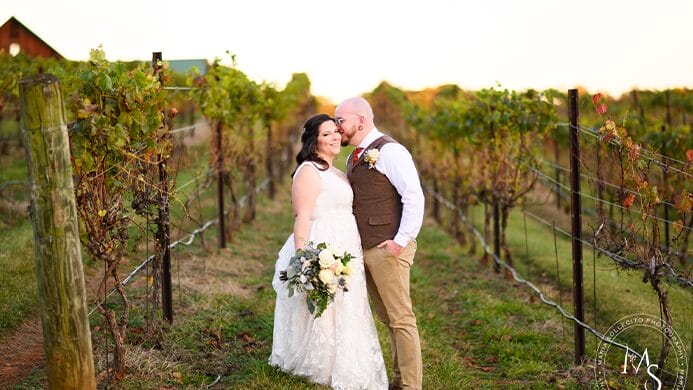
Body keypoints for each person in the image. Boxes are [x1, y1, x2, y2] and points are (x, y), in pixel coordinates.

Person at [270, 113, 388, 390]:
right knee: (324, 304)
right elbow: (302, 217)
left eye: (336, 131)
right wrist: (304, 260)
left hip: (346, 242)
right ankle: (320, 364)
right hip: (322, 242)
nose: (335, 136)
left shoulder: (335, 171)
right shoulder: (309, 171)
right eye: (327, 134)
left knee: (346, 305)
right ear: (314, 141)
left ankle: (345, 360)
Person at [335, 98, 425, 390]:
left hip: (387, 249)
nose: (337, 128)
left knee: (401, 318)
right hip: (365, 249)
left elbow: (414, 198)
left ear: (360, 120)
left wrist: (400, 242)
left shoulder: (391, 152)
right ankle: (399, 380)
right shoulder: (353, 157)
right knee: (388, 318)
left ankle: (411, 386)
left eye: (340, 120)